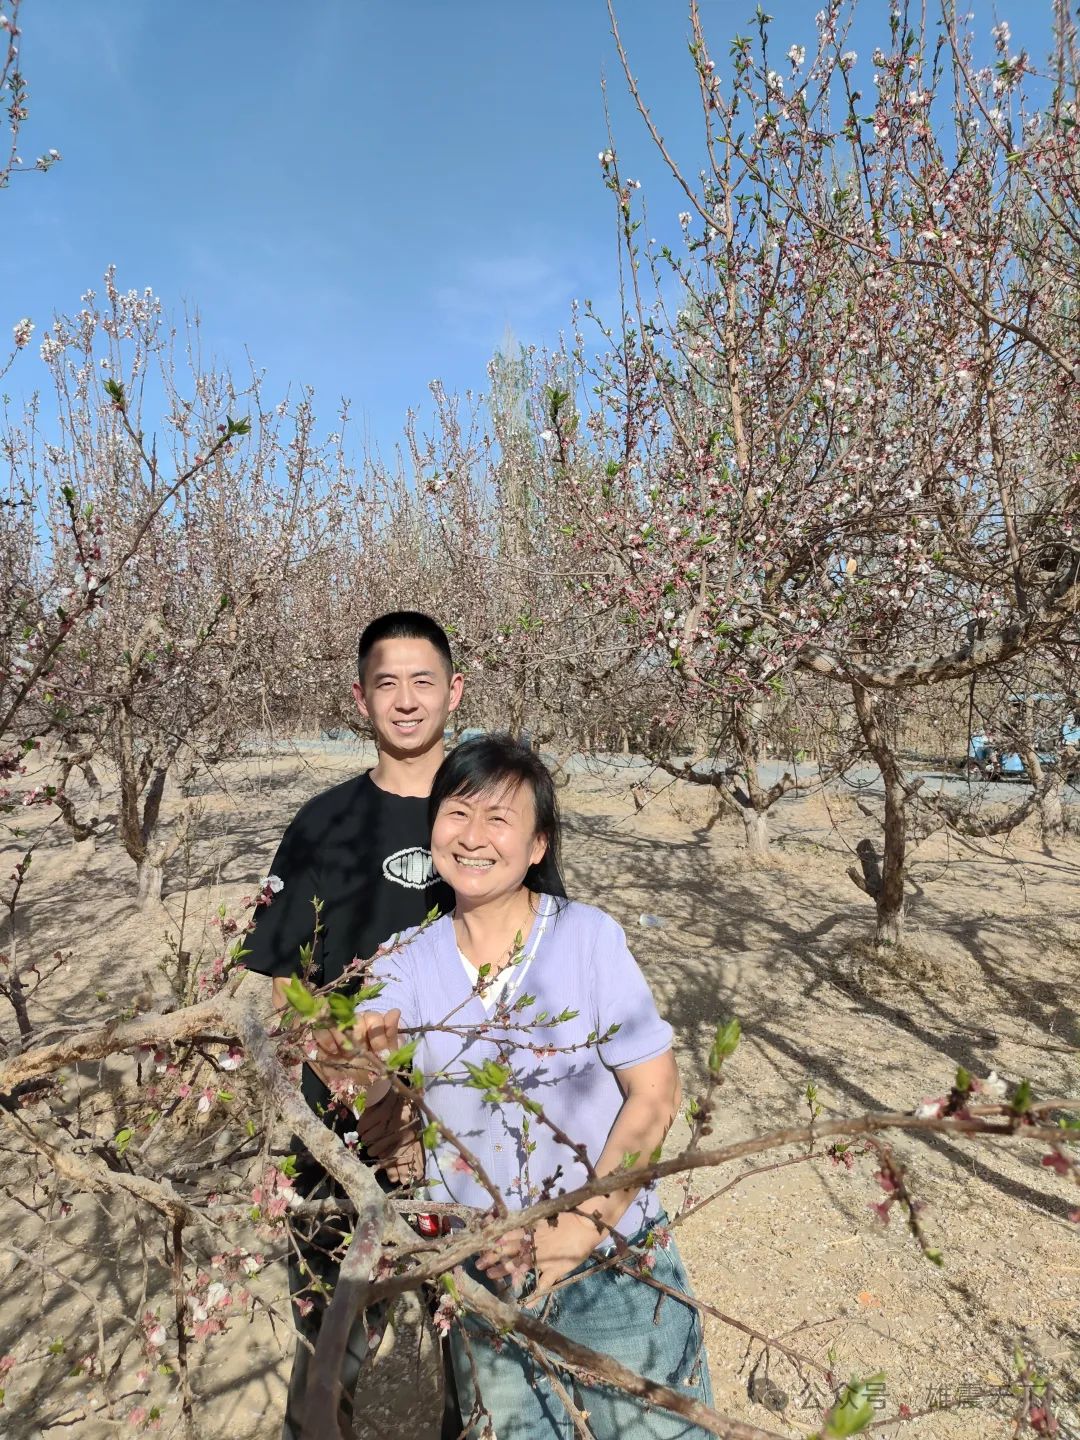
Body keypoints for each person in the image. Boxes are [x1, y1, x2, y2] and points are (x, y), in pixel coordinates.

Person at [347, 735, 714, 1439]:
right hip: (488, 1274)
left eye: (500, 819)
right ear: (433, 830)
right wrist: (358, 1069)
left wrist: (573, 1233)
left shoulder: (589, 941)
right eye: (457, 814)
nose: (474, 837)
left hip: (617, 1268)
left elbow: (655, 1096)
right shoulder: (403, 963)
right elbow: (385, 1123)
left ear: (538, 844)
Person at [243, 610, 464, 1440]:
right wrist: (357, 1088)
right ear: (359, 699)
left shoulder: (490, 816)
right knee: (327, 1351)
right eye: (386, 683)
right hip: (340, 1129)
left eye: (423, 681)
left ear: (454, 691)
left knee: (475, 1338)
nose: (406, 701)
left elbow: (535, 967)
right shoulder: (322, 823)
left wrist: (427, 1107)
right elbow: (272, 982)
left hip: (465, 1124)